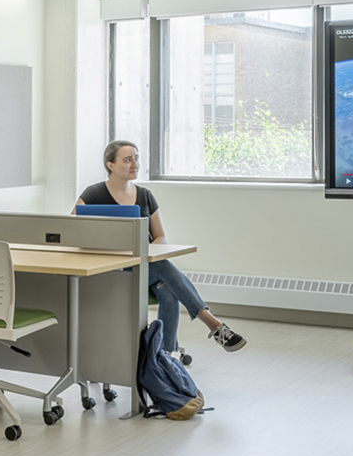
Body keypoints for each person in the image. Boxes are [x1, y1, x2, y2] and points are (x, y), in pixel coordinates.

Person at [77, 140, 246, 358]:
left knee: (167, 288)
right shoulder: (93, 194)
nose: (134, 164)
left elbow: (160, 237)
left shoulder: (145, 195)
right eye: (127, 160)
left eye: (136, 159)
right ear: (110, 165)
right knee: (166, 273)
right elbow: (75, 229)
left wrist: (146, 254)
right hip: (113, 268)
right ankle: (210, 325)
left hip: (145, 265)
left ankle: (164, 356)